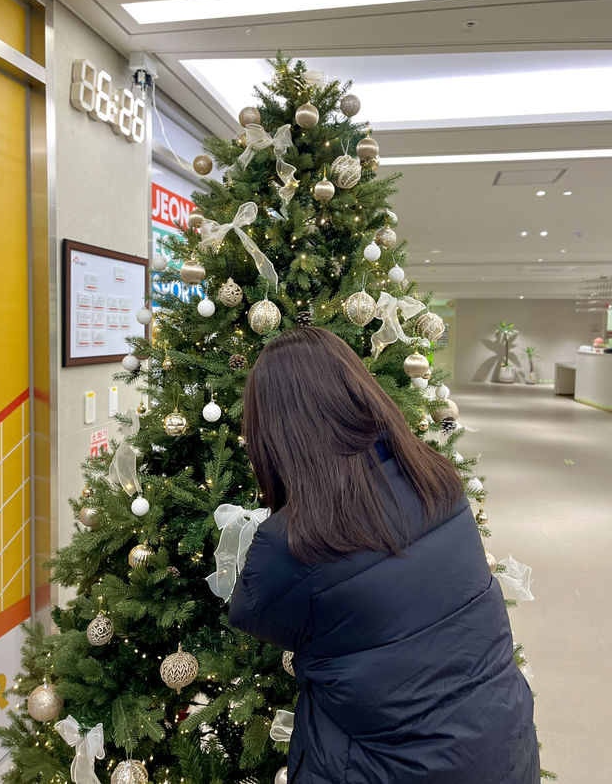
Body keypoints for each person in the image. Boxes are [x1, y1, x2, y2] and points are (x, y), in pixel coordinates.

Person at [229, 327, 539, 784]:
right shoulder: (438, 481)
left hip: (387, 769)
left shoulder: (291, 541)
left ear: (275, 432)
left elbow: (249, 613)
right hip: (501, 744)